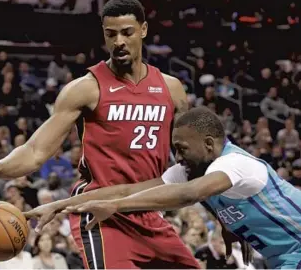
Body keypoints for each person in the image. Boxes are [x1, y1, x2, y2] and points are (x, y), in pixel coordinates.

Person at [0, 0, 200, 268]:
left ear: (143, 30)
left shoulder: (172, 90)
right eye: (111, 34)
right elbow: (36, 151)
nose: (118, 41)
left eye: (127, 32)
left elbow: (192, 166)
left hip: (148, 208)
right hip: (98, 212)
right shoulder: (86, 88)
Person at [64, 107, 301, 269]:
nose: (177, 157)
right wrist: (62, 205)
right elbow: (129, 190)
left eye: (182, 148)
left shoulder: (235, 163)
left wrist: (114, 206)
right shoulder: (194, 170)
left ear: (208, 144)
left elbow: (190, 194)